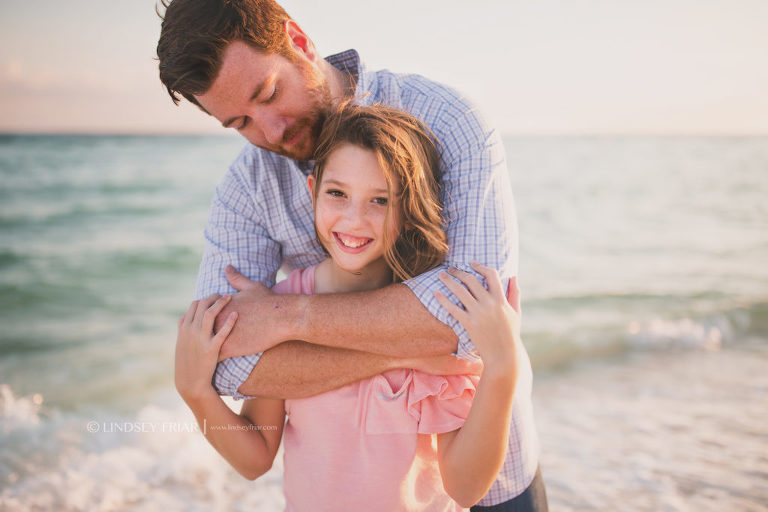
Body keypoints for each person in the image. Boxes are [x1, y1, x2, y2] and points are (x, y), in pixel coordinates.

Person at [157, 0, 547, 509]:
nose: (270, 132)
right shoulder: (247, 187)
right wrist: (411, 348)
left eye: (270, 93)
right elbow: (227, 366)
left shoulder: (448, 119)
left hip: (491, 470)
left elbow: (467, 326)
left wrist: (285, 317)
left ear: (297, 41)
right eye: (240, 123)